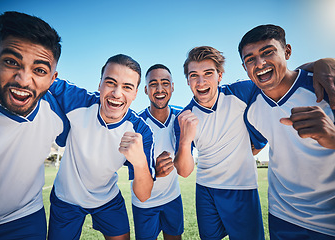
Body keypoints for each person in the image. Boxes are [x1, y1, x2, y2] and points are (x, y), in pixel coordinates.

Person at [0, 11, 69, 240]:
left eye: (39, 70)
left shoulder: (58, 111)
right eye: (11, 62)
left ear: (53, 77)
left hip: (25, 218)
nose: (23, 80)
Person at [239, 24, 335, 240]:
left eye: (267, 52)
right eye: (250, 59)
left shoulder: (325, 86)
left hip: (329, 222)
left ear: (287, 51)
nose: (260, 63)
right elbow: (255, 146)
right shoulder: (253, 107)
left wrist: (332, 138)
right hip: (282, 217)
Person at [47, 54, 156, 240]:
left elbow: (144, 195)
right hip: (67, 197)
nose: (116, 93)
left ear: (136, 93)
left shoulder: (141, 131)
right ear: (100, 84)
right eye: (111, 83)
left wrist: (139, 163)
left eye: (127, 87)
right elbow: (38, 76)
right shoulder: (78, 100)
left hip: (107, 198)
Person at [174, 46, 267, 240]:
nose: (201, 82)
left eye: (208, 73)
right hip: (206, 190)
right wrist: (185, 140)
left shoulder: (241, 92)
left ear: (220, 76)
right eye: (194, 75)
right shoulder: (184, 117)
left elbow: (277, 82)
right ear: (188, 80)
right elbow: (184, 171)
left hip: (242, 188)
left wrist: (259, 142)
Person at [133, 64, 183, 240]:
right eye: (153, 84)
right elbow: (133, 171)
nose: (160, 89)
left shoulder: (182, 118)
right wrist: (154, 171)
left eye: (165, 83)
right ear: (146, 90)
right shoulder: (136, 125)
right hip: (144, 203)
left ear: (172, 87)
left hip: (172, 198)